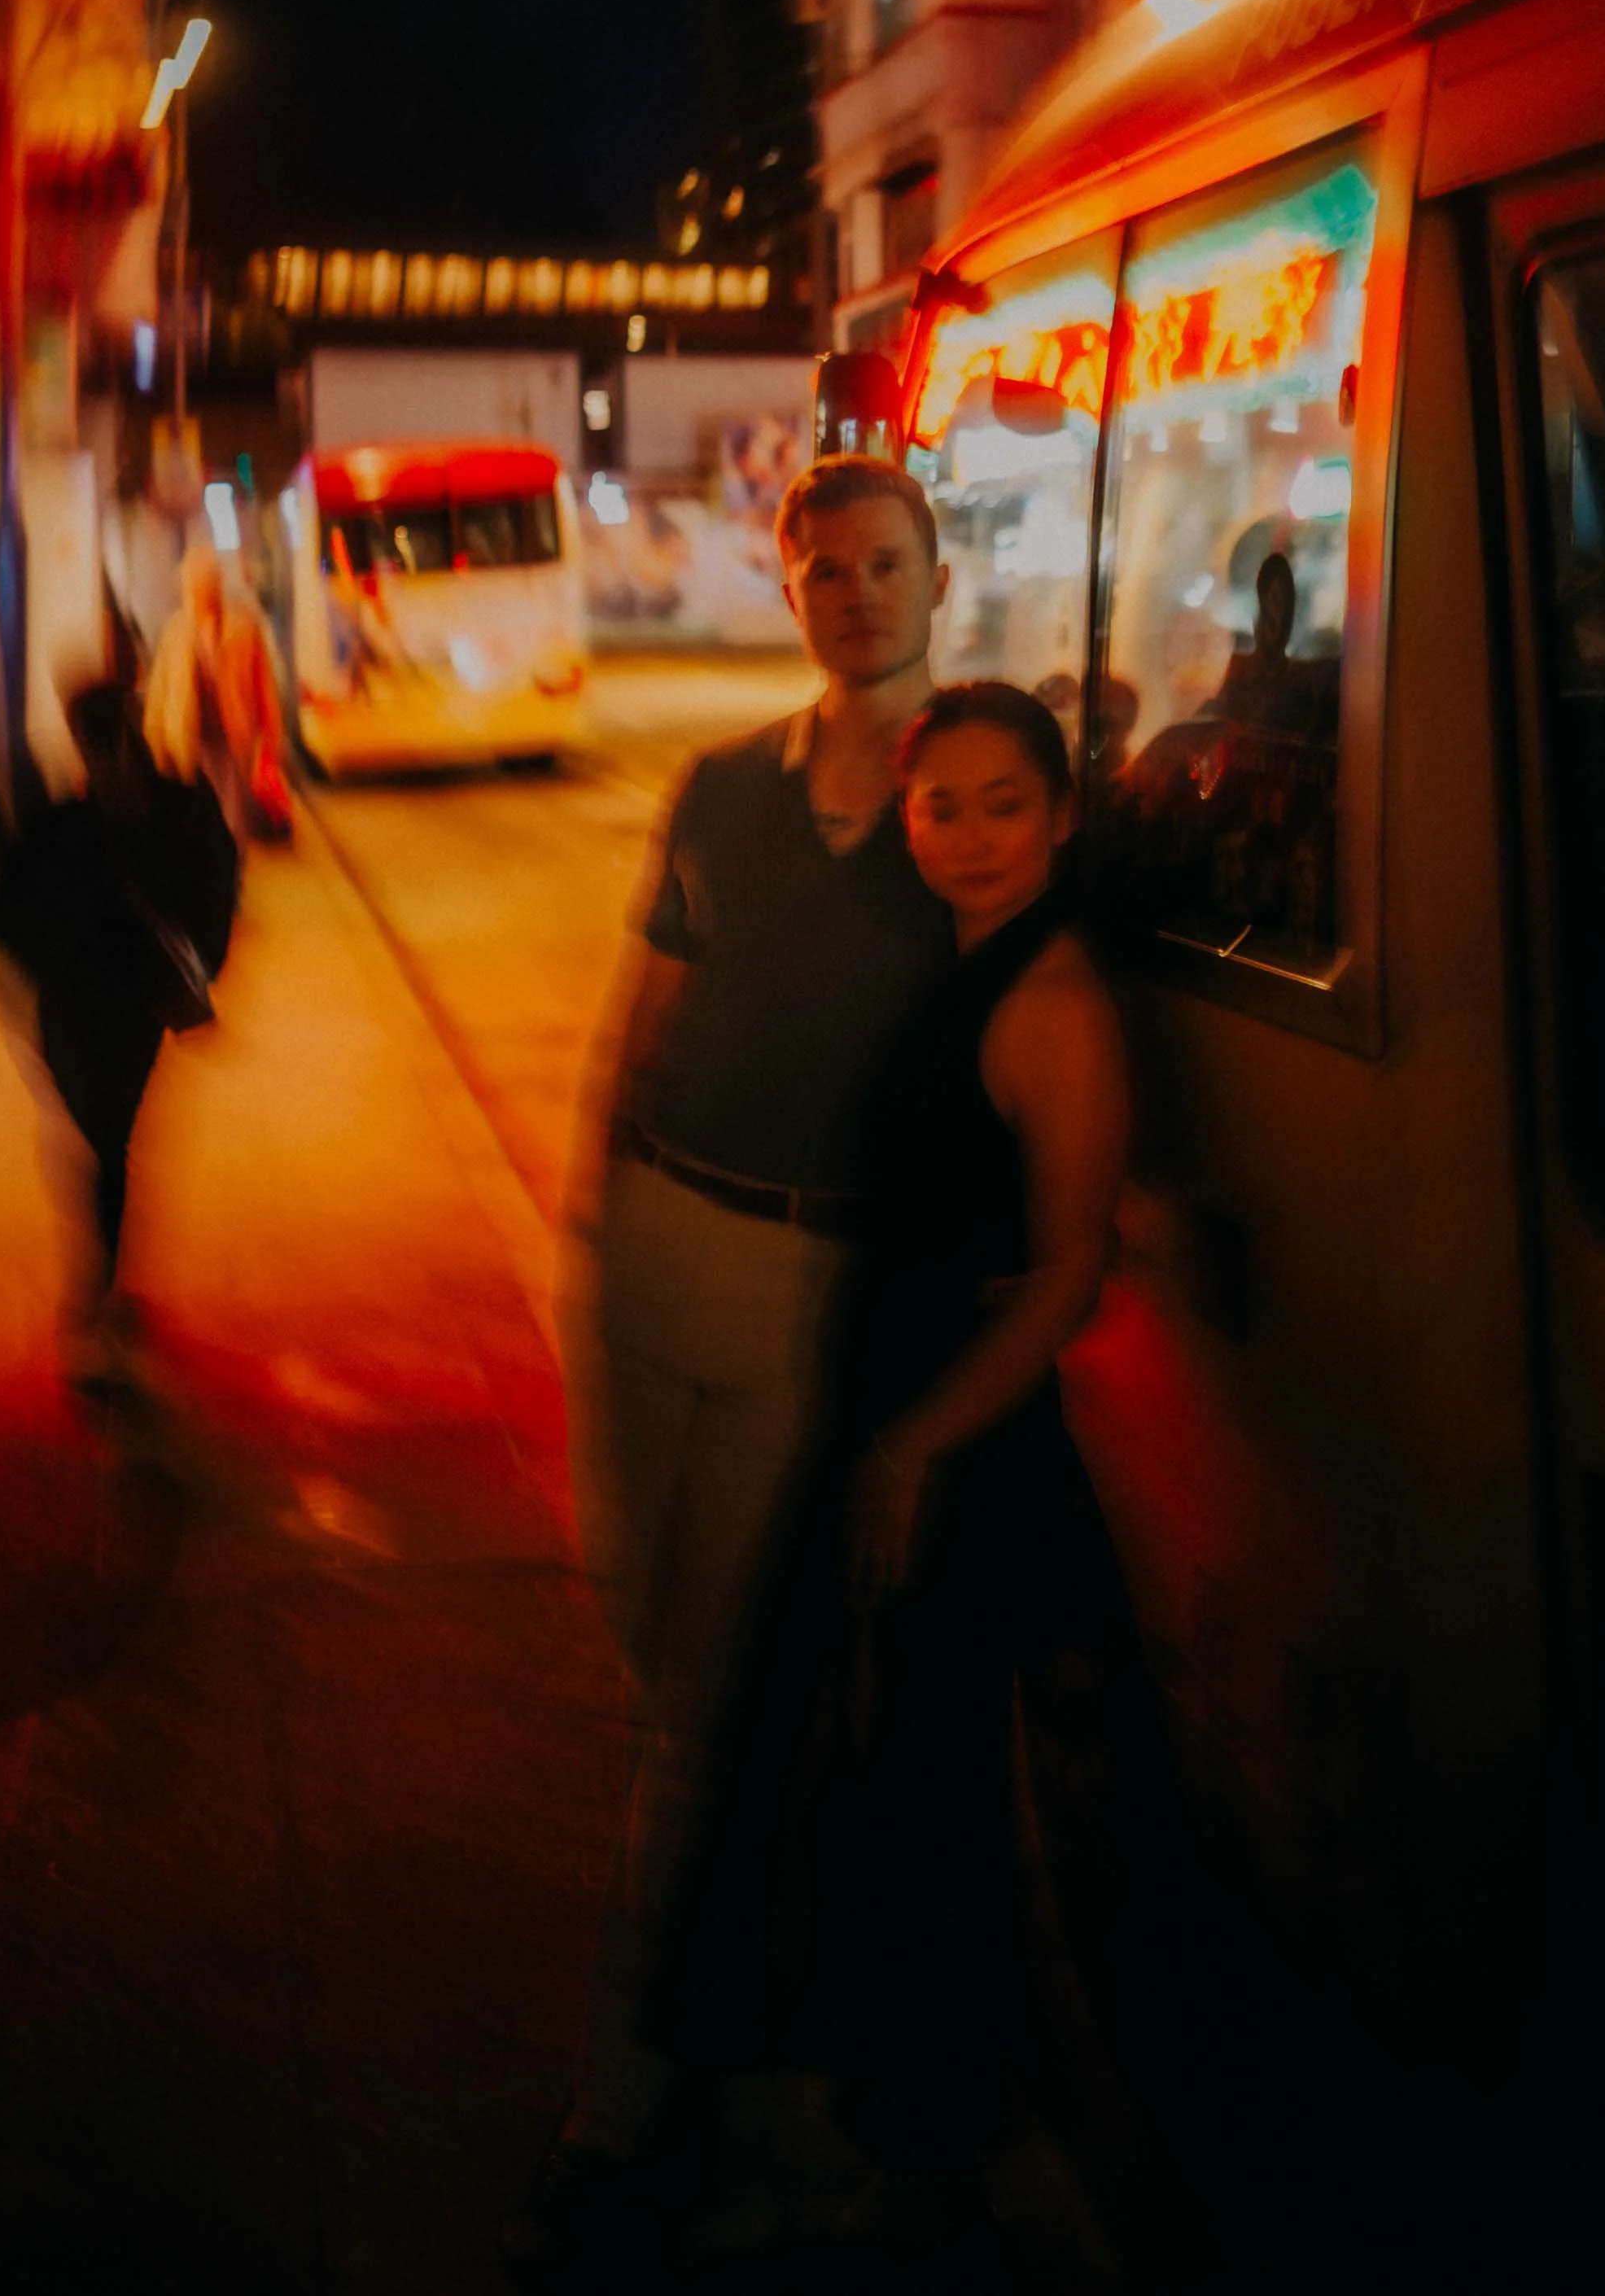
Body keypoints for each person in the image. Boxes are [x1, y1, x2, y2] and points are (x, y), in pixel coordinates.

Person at [659, 681, 1134, 2259]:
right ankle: (899, 2111)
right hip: (891, 1405)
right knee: (878, 1772)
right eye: (940, 804)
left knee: (929, 1792)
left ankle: (933, 2150)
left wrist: (916, 1448)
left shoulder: (1051, 998)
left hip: (960, 1440)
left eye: (1005, 803)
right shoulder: (946, 948)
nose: (969, 835)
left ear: (1062, 815)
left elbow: (1071, 1270)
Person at [545, 454, 955, 2211]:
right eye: (822, 568)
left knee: (710, 1694)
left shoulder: (977, 798)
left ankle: (644, 2058)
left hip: (816, 1282)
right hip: (654, 1243)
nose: (853, 591)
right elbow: (638, 1011)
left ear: (935, 579)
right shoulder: (715, 788)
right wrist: (585, 1220)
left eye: (884, 562)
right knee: (642, 1640)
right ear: (786, 589)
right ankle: (718, 1960)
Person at [0, 682, 238, 1375]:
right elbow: (217, 885)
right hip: (131, 1010)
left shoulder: (47, 815)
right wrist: (200, 972)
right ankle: (101, 1287)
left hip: (68, 1008)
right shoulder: (167, 805)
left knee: (96, 1142)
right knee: (109, 1143)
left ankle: (94, 1290)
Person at [144, 536, 291, 839]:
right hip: (190, 739)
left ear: (217, 584)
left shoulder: (244, 627)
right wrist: (156, 744)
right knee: (198, 818)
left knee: (233, 820)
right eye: (193, 584)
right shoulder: (175, 632)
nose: (198, 590)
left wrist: (272, 742)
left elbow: (264, 687)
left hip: (233, 738)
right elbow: (159, 692)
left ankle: (232, 866)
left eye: (204, 582)